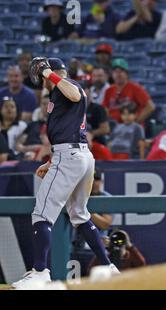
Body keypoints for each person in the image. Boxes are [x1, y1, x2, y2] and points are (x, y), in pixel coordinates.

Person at [12, 57, 119, 289]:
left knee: (41, 213)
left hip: (70, 156)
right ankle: (108, 267)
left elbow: (76, 94)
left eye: (41, 78)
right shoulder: (58, 92)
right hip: (76, 154)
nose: (42, 83)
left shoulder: (67, 84)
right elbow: (67, 130)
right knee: (79, 214)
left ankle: (40, 272)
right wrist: (52, 161)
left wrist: (49, 73)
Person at [102, 58, 155, 123]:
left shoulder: (135, 88)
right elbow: (104, 109)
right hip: (113, 127)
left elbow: (150, 106)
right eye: (115, 71)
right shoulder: (109, 90)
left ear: (126, 73)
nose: (118, 74)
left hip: (131, 129)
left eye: (121, 71)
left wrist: (136, 122)